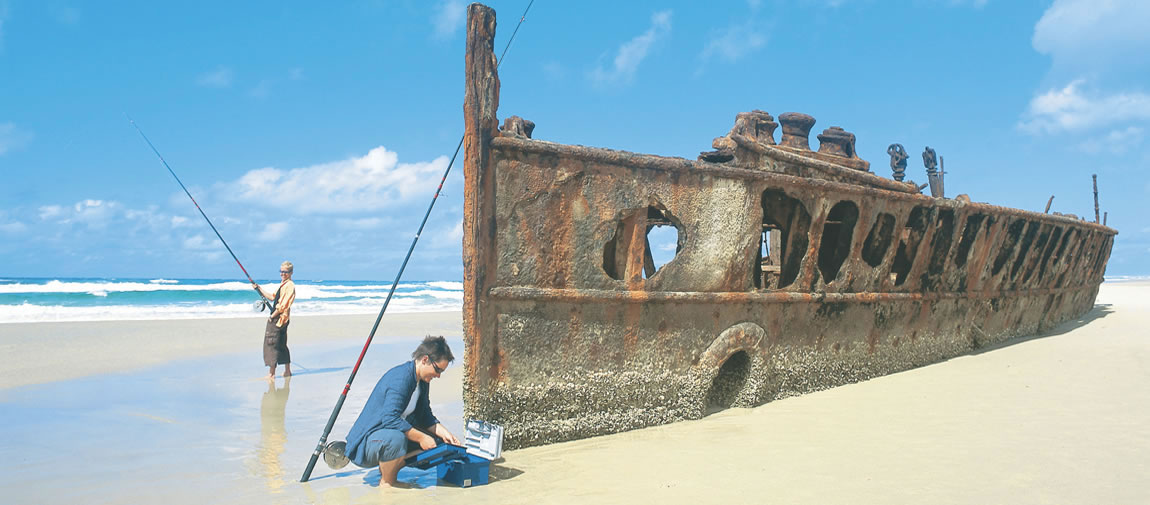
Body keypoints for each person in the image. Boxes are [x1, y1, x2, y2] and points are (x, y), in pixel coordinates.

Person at [342, 336, 461, 488]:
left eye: (441, 372)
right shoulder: (402, 378)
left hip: (384, 437)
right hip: (365, 446)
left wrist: (446, 434)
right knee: (396, 439)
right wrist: (421, 438)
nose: (438, 376)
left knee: (437, 442)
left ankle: (387, 468)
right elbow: (390, 419)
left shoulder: (422, 382)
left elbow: (425, 415)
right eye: (437, 370)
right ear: (425, 360)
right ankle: (387, 482)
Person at [253, 261, 296, 380]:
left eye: (286, 272)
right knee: (281, 344)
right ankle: (287, 371)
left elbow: (283, 305)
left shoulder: (289, 285)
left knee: (271, 344)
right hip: (283, 319)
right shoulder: (284, 284)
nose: (283, 274)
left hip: (278, 318)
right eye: (281, 271)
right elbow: (273, 297)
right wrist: (259, 289)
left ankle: (271, 374)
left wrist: (273, 315)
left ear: (291, 272)